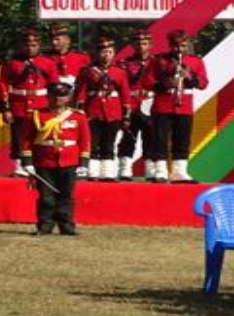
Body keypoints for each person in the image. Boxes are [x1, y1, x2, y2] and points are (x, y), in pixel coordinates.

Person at [19, 82, 90, 236]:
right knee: (46, 196)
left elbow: (84, 141)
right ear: (48, 96)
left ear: (68, 97)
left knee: (66, 195)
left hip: (69, 160)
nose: (58, 99)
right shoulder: (35, 115)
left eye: (62, 95)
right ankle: (45, 225)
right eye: (54, 95)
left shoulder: (78, 116)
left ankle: (66, 225)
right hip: (44, 160)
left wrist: (83, 162)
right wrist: (27, 162)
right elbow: (26, 139)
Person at [143, 29, 208, 182]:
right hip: (163, 104)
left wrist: (190, 77)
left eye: (183, 46)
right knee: (160, 139)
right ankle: (161, 171)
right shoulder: (159, 60)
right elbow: (147, 82)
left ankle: (179, 172)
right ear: (170, 45)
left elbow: (203, 83)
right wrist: (164, 84)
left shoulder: (195, 61)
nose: (179, 49)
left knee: (182, 139)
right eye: (176, 46)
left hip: (184, 105)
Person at [0, 28, 58, 177]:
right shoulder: (12, 63)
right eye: (27, 45)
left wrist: (54, 108)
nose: (30, 48)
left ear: (39, 45)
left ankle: (42, 165)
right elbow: (3, 85)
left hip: (42, 104)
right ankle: (19, 166)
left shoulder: (48, 63)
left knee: (42, 136)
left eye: (33, 45)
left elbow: (54, 86)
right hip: (19, 105)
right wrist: (5, 108)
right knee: (19, 137)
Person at [74, 37, 129, 182]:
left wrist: (126, 113)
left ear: (114, 53)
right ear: (97, 53)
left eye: (109, 52)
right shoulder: (88, 70)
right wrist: (80, 108)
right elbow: (81, 91)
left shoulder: (119, 71)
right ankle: (93, 171)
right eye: (103, 52)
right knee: (93, 142)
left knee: (109, 143)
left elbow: (125, 93)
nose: (106, 55)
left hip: (113, 112)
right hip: (94, 110)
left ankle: (107, 172)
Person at [117, 28, 154, 181]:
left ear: (150, 45)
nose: (141, 46)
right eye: (137, 43)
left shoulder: (157, 62)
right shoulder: (124, 63)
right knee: (128, 137)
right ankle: (125, 169)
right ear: (132, 45)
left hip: (149, 104)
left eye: (144, 43)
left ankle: (150, 169)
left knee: (151, 137)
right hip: (130, 104)